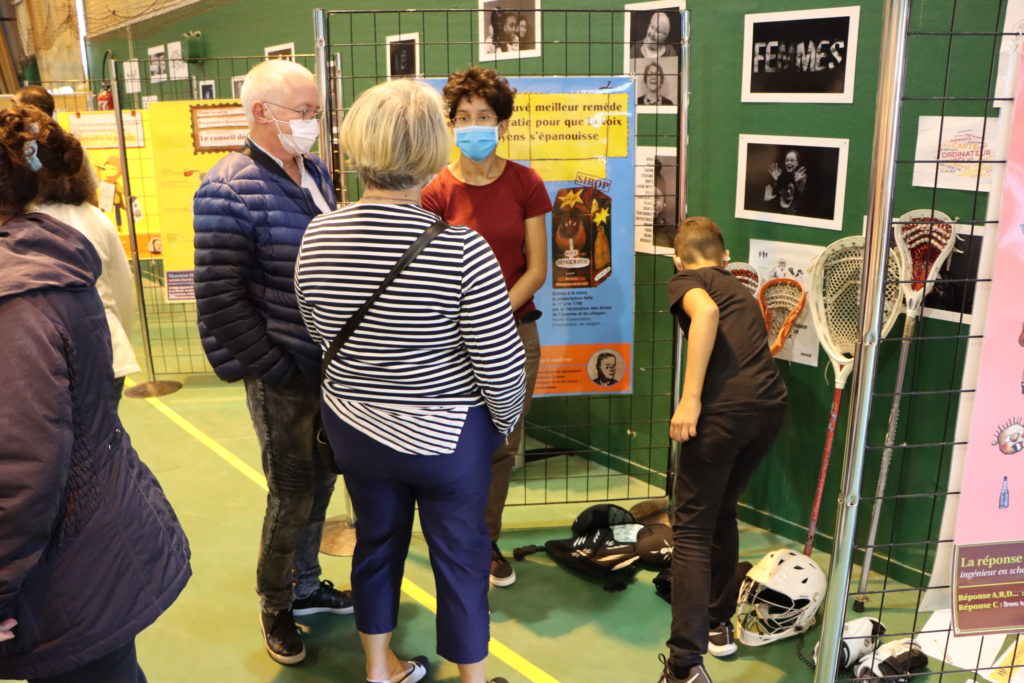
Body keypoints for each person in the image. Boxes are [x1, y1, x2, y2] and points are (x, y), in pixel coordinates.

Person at [295, 79, 524, 683]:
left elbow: (320, 331)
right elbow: (500, 365)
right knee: (461, 558)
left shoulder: (317, 237)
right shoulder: (462, 250)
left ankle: (379, 667)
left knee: (376, 544)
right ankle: (474, 679)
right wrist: (498, 425)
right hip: (448, 437)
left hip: (355, 431)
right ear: (431, 151)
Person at [0, 104, 191, 683]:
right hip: (86, 549)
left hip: (64, 573)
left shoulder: (18, 298)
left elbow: (23, 463)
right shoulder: (38, 262)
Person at [192, 59, 352, 666]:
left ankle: (307, 585)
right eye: (305, 112)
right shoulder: (227, 188)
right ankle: (275, 602)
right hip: (283, 371)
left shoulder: (313, 171)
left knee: (323, 479)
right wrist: (274, 368)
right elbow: (220, 299)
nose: (314, 122)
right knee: (290, 493)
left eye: (315, 111)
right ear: (262, 113)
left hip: (328, 365)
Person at [422, 65, 552, 588]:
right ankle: (449, 538)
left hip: (514, 335)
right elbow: (427, 273)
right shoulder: (434, 190)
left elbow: (537, 267)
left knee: (501, 445)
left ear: (501, 123)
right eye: (463, 116)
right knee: (451, 443)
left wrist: (491, 314)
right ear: (451, 124)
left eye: (485, 116)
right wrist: (464, 320)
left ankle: (485, 540)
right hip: (448, 339)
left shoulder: (526, 182)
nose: (474, 125)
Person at [658, 217, 787, 683]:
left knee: (691, 531)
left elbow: (705, 315)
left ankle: (684, 667)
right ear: (726, 256)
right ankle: (717, 625)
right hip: (769, 407)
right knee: (722, 513)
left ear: (678, 257)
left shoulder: (686, 279)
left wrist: (690, 398)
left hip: (723, 415)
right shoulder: (738, 288)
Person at [33, 142, 140, 412]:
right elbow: (123, 289)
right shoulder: (98, 219)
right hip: (107, 351)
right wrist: (117, 335)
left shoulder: (23, 223)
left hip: (49, 361)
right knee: (104, 443)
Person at [764, 149, 807, 214]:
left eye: (792, 160)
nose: (789, 163)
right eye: (787, 160)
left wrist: (796, 183)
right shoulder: (779, 174)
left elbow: (801, 199)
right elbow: (772, 196)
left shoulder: (802, 177)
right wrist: (776, 180)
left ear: (797, 163)